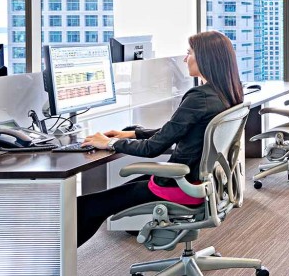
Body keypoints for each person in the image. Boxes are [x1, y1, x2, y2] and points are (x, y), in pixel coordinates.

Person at [75, 31, 243, 248]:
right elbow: (180, 130)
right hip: (204, 182)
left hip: (182, 184)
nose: (185, 59)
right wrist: (133, 133)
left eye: (189, 53)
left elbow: (152, 148)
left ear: (205, 58)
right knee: (110, 198)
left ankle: (58, 271)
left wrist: (109, 143)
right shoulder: (227, 92)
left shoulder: (199, 97)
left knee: (88, 206)